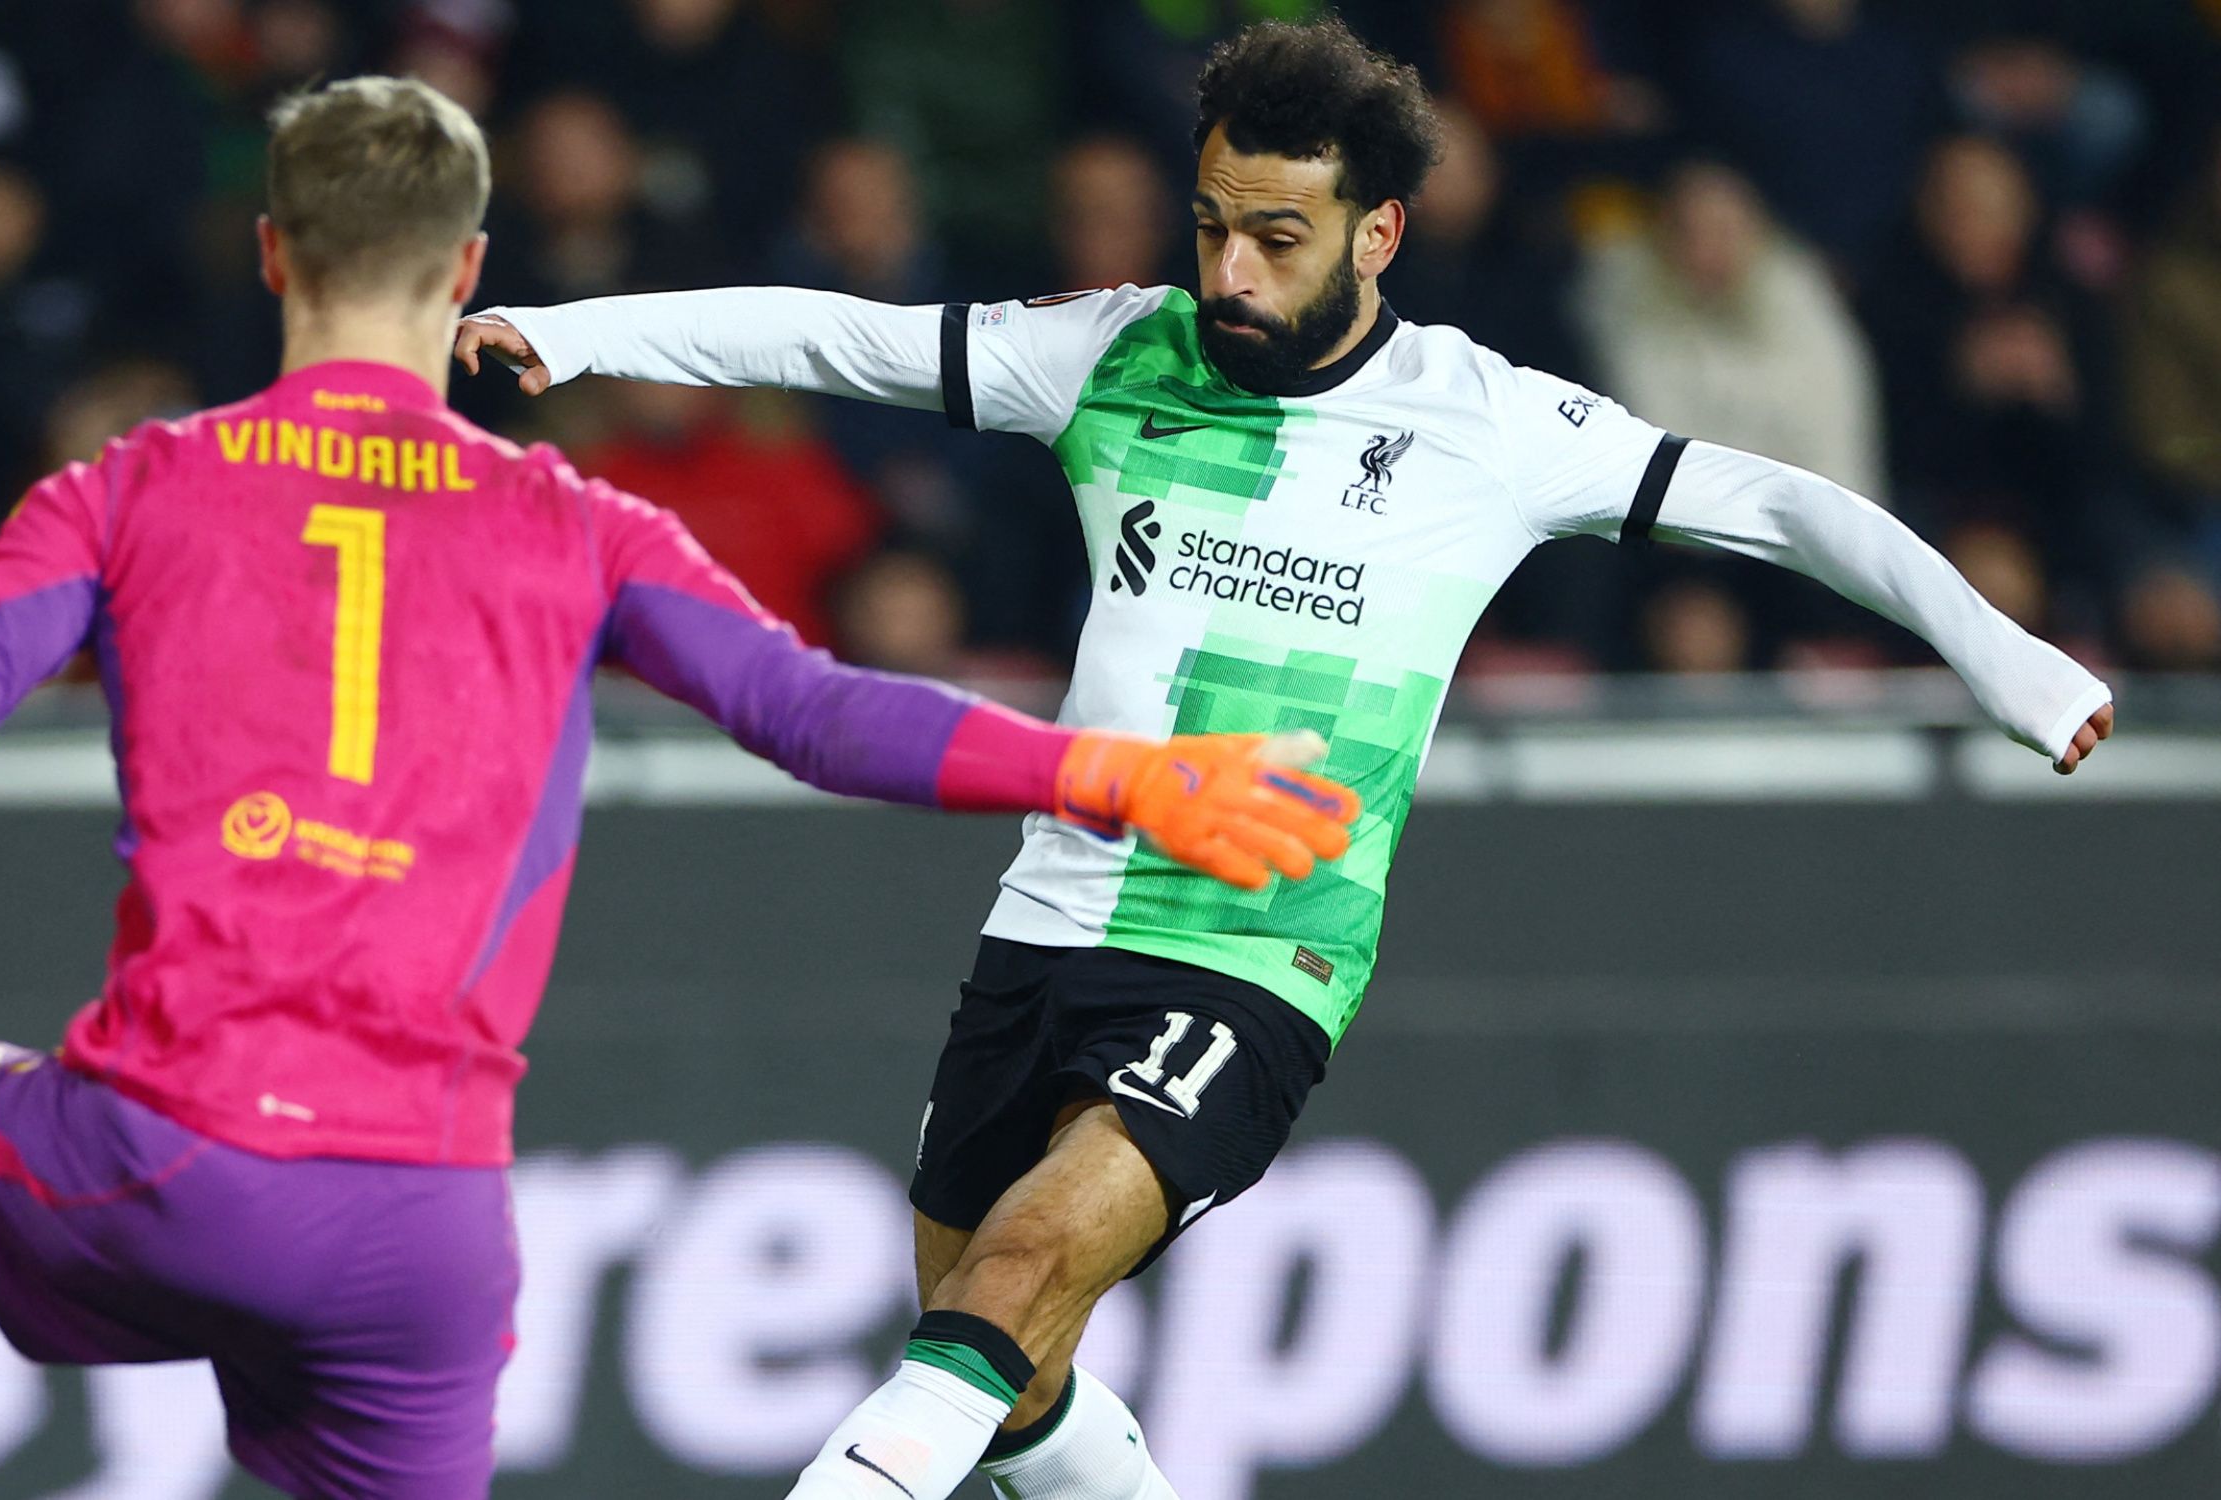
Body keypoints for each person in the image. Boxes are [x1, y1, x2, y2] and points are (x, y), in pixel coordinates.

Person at [0, 77, 1358, 1500]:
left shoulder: (133, 486)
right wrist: (1106, 771)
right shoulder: (574, 520)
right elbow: (814, 711)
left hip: (159, 1155)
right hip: (418, 1242)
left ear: (272, 253)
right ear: (467, 274)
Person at [455, 19, 2118, 1500]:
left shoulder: (1487, 422)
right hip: (1053, 912)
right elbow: (843, 339)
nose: (1231, 274)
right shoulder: (1112, 351)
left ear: (1376, 232)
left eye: (1276, 237)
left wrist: (2003, 654)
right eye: (1213, 227)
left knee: (1025, 1266)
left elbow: (1781, 502)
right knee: (1001, 1364)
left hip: (1263, 938)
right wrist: (581, 330)